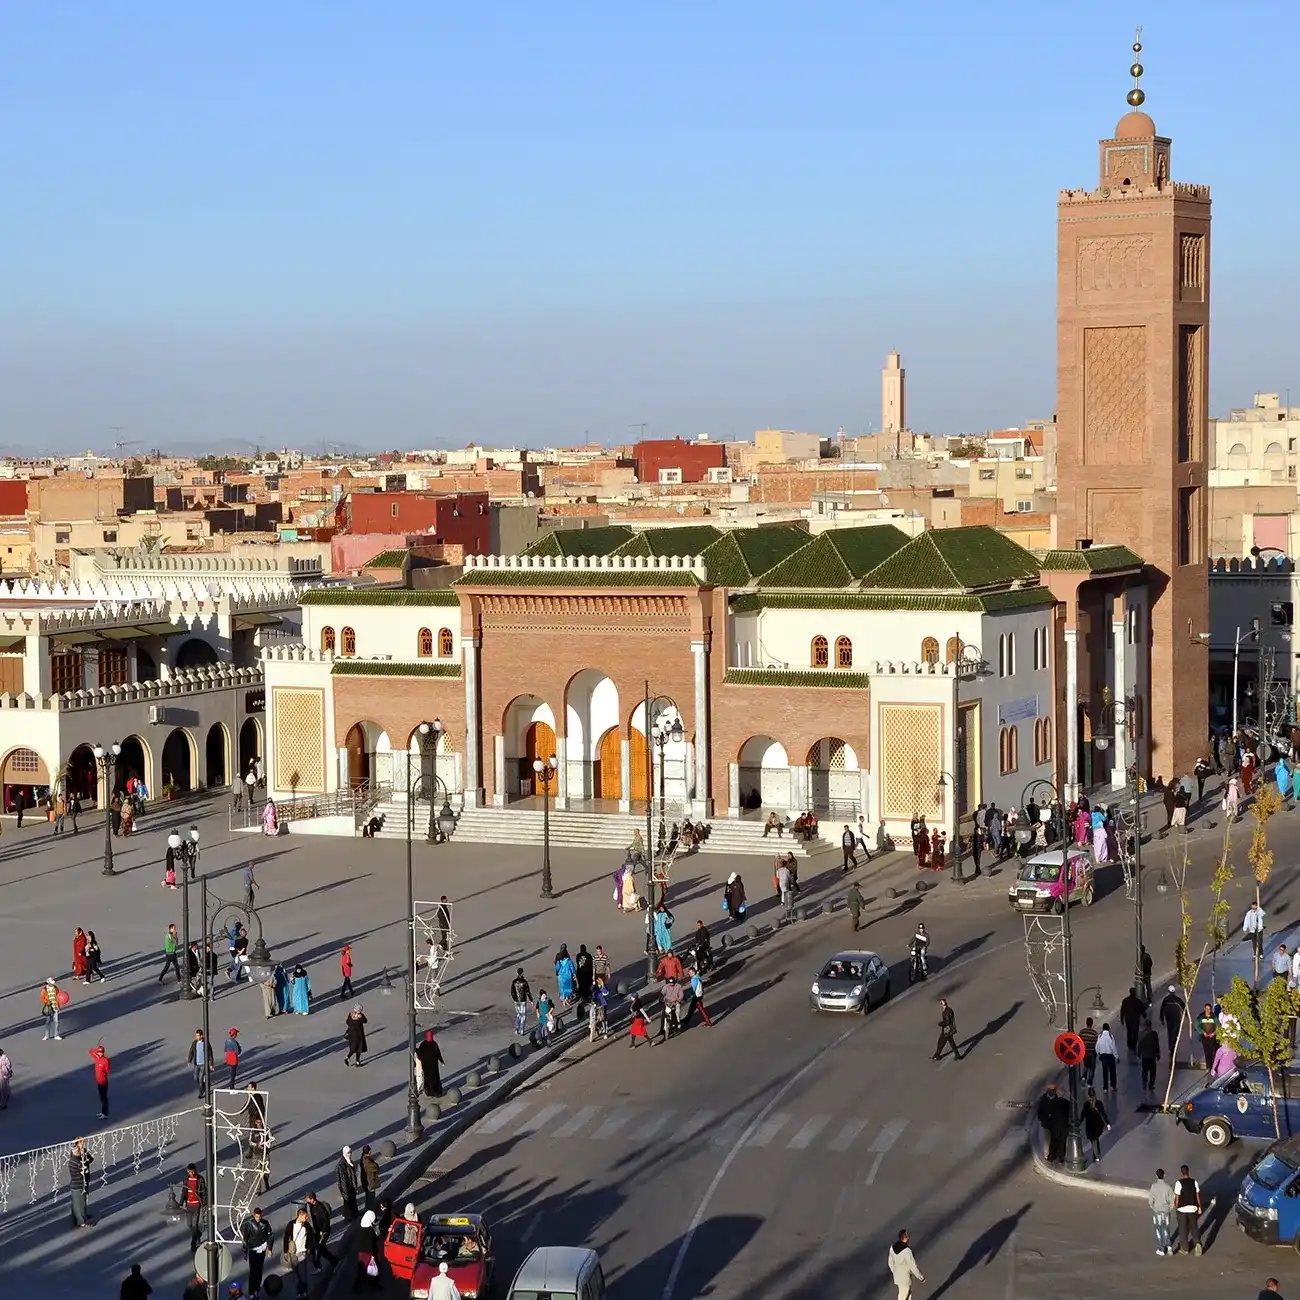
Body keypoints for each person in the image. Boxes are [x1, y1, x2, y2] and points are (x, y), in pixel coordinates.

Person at [241, 1206, 273, 1298]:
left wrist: (270, 1249)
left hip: (262, 1249)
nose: (258, 1218)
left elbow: (270, 1236)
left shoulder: (265, 1223)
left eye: (259, 1216)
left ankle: (256, 1289)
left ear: (261, 1215)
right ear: (254, 1216)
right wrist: (245, 1251)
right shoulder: (249, 1224)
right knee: (253, 1271)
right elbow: (245, 1238)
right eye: (256, 1217)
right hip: (253, 1249)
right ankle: (252, 1291)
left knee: (259, 1270)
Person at [1173, 1164, 1203, 1255]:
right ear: (1188, 1171)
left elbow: (1177, 1197)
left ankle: (1185, 1249)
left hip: (1182, 1209)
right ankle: (1197, 1243)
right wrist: (1199, 1207)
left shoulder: (1179, 1183)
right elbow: (1197, 1196)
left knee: (1183, 1229)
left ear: (1181, 1172)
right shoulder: (1194, 1182)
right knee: (1194, 1227)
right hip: (1193, 1208)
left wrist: (1176, 1206)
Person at [305, 1191, 339, 1269]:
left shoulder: (320, 1208)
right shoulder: (311, 1205)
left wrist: (323, 1231)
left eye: (308, 1199)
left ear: (312, 1200)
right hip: (317, 1230)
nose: (306, 1200)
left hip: (323, 1231)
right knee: (317, 1247)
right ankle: (318, 1264)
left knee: (321, 1249)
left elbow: (326, 1220)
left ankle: (335, 1262)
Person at [1036, 1083, 1069, 1164]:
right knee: (1049, 1141)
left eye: (1054, 1090)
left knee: (1057, 1141)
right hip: (1048, 1124)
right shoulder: (1043, 1099)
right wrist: (1044, 1119)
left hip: (1056, 1125)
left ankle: (1057, 1156)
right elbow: (1040, 1112)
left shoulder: (1059, 1101)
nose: (1053, 1092)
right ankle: (1049, 1156)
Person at [887, 1229, 924, 1300]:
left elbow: (890, 1262)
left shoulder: (892, 1247)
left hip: (898, 1276)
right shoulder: (907, 1251)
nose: (909, 1237)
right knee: (903, 1296)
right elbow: (913, 1266)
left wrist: (895, 1271)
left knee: (908, 1295)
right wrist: (921, 1277)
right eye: (907, 1236)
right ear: (905, 1238)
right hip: (905, 1279)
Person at [285, 1206, 312, 1298]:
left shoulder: (307, 1225)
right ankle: (299, 1291)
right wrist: (285, 1251)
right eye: (305, 1216)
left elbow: (311, 1237)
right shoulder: (291, 1225)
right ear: (300, 1216)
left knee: (303, 1273)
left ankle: (304, 1291)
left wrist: (309, 1249)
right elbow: (286, 1237)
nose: (307, 1218)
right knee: (296, 1274)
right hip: (293, 1253)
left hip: (302, 1252)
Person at [354, 1208, 382, 1292]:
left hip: (362, 1252)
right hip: (368, 1253)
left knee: (361, 1271)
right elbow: (371, 1244)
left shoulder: (362, 1227)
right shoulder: (369, 1231)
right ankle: (373, 1285)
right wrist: (373, 1256)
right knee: (372, 1271)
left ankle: (357, 1287)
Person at [68, 1136, 94, 1227]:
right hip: (78, 1184)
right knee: (78, 1203)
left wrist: (85, 1156)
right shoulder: (74, 1161)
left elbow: (91, 1159)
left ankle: (83, 1215)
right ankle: (80, 1220)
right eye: (82, 1142)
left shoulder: (83, 1152)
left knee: (83, 1201)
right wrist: (84, 1165)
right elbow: (80, 1170)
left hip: (83, 1181)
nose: (83, 1144)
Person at [1149, 1167, 1175, 1256]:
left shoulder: (1153, 1186)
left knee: (1158, 1229)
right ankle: (1169, 1246)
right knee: (1166, 1229)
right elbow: (1172, 1201)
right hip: (1166, 1210)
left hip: (1157, 1211)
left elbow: (1151, 1201)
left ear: (1156, 1176)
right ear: (1164, 1175)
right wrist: (1169, 1208)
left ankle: (1161, 1248)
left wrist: (1154, 1207)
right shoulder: (1168, 1187)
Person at [1081, 1087, 1110, 1161]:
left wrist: (1079, 1123)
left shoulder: (1086, 1105)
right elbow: (1103, 1114)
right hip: (1097, 1125)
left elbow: (1083, 1115)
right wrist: (1107, 1123)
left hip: (1091, 1126)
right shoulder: (1099, 1103)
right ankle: (1096, 1155)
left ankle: (1097, 1155)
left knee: (1093, 1140)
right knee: (1095, 1139)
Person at [1118, 986, 1145, 1058]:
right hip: (1135, 1020)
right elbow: (1142, 1010)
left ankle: (1129, 1044)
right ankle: (1133, 1045)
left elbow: (1122, 1010)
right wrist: (1144, 1016)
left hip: (1128, 1020)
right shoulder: (1137, 1001)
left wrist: (1122, 1019)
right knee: (1135, 1033)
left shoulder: (1125, 1000)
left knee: (1129, 1032)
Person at [1159, 985, 1186, 1056]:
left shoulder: (1166, 999)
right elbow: (1184, 1007)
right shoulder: (1178, 999)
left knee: (1170, 1033)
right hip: (1177, 1019)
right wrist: (1186, 1015)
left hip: (1169, 1019)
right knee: (1176, 1033)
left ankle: (1171, 1047)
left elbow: (1162, 1009)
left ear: (1168, 991)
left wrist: (1162, 1019)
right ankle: (1174, 1046)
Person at [416, 1029, 443, 1098]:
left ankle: (430, 1091)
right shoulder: (434, 1044)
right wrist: (441, 1060)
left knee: (428, 1079)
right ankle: (435, 1092)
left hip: (427, 1065)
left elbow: (420, 1054)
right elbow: (438, 1053)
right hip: (432, 1065)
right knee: (433, 1079)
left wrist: (416, 1051)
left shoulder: (424, 1044)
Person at [1137, 1017, 1161, 1093]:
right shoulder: (1154, 1033)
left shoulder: (1141, 1034)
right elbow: (1156, 1044)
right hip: (1152, 1055)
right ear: (1150, 1025)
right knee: (1153, 1071)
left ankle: (1144, 1081)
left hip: (1144, 1055)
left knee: (1144, 1070)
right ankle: (1151, 1084)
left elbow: (1139, 1044)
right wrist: (1158, 1054)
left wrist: (1139, 1053)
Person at [336, 1147, 360, 1221]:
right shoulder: (340, 1165)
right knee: (347, 1201)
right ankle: (348, 1216)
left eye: (350, 1152)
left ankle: (354, 1213)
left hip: (351, 1184)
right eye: (348, 1153)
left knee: (353, 1200)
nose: (350, 1154)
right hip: (346, 1186)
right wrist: (344, 1189)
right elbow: (341, 1179)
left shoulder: (350, 1161)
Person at [1095, 1022, 1119, 1094]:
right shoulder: (1110, 1036)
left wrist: (1098, 1053)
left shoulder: (1100, 1036)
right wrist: (1116, 1056)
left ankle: (1105, 1088)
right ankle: (1113, 1085)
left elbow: (1097, 1046)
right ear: (1108, 1028)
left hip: (1103, 1056)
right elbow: (1113, 1046)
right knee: (1112, 1071)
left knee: (1105, 1073)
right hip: (1110, 1056)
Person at [90, 1043, 111, 1119]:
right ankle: (102, 1112)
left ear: (103, 1052)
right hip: (98, 1082)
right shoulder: (97, 1057)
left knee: (104, 1098)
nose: (100, 1053)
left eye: (101, 1052)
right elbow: (91, 1051)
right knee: (101, 1098)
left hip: (103, 1082)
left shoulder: (105, 1060)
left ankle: (105, 1114)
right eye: (99, 1052)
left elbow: (108, 1070)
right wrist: (97, 1049)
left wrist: (104, 1074)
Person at [1195, 1002, 1218, 1071]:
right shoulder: (1200, 1016)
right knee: (1206, 1051)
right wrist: (1203, 1032)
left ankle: (1213, 1066)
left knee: (1213, 1051)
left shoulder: (1214, 1016)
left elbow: (1217, 1026)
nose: (1208, 1010)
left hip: (1212, 1036)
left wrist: (1214, 1033)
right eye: (1207, 1009)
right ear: (1204, 1009)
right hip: (1204, 1036)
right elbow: (1197, 1026)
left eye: (1209, 1009)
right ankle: (1208, 1066)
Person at [510, 967, 533, 1037]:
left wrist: (514, 999)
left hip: (516, 1000)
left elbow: (512, 992)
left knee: (518, 1014)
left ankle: (517, 1029)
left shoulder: (514, 982)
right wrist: (531, 1000)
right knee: (523, 1015)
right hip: (523, 1000)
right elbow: (528, 992)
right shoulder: (524, 982)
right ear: (522, 973)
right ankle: (522, 1030)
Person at [360, 1145, 382, 1212]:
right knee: (371, 1197)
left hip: (367, 1181)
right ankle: (370, 1210)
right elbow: (375, 1167)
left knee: (368, 1197)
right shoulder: (367, 1161)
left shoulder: (363, 1158)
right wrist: (376, 1165)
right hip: (370, 1181)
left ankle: (369, 1208)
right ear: (369, 1151)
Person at [1078, 1016, 1098, 1086]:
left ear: (1086, 1023)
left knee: (1086, 1065)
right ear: (1092, 1023)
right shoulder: (1094, 1033)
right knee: (1092, 1067)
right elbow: (1096, 1044)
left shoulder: (1082, 1032)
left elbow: (1078, 1040)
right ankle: (1090, 1082)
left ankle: (1084, 1077)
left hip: (1084, 1052)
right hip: (1092, 1052)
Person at [0, 1043, 12, 1109]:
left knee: (2, 1089)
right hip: (4, 1076)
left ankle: (3, 1102)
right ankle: (3, 1103)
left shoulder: (4, 1059)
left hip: (2, 1075)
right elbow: (9, 1066)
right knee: (4, 1089)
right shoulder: (5, 1058)